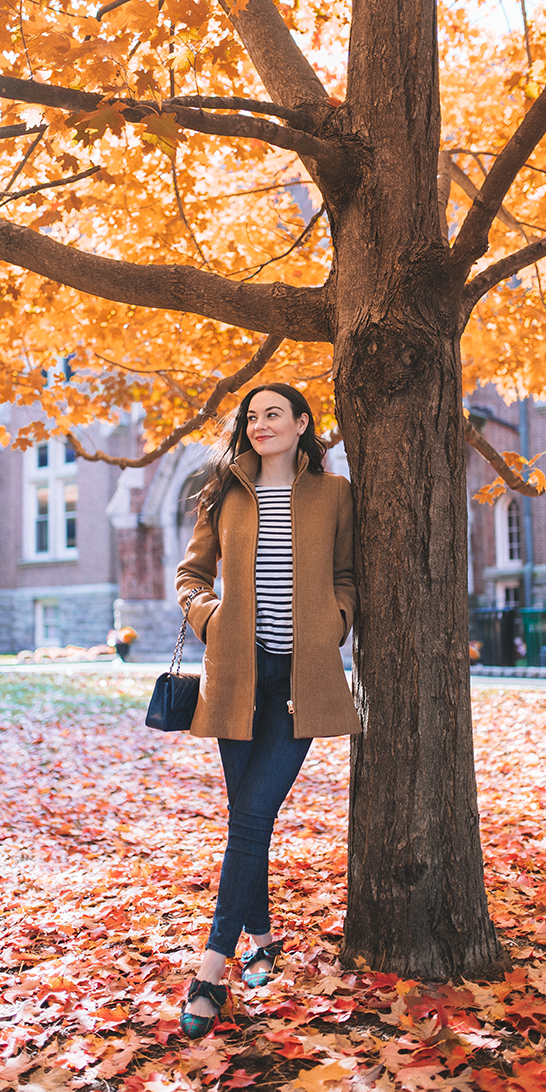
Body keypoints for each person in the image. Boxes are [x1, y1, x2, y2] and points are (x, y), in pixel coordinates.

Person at [175, 382, 360, 1039]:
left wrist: (337, 620)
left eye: (273, 413)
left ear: (303, 422)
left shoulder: (334, 495)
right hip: (236, 675)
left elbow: (348, 576)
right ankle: (260, 938)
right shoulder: (223, 489)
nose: (260, 424)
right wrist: (209, 618)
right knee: (245, 816)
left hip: (299, 679)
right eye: (251, 416)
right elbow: (191, 574)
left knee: (253, 813)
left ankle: (210, 970)